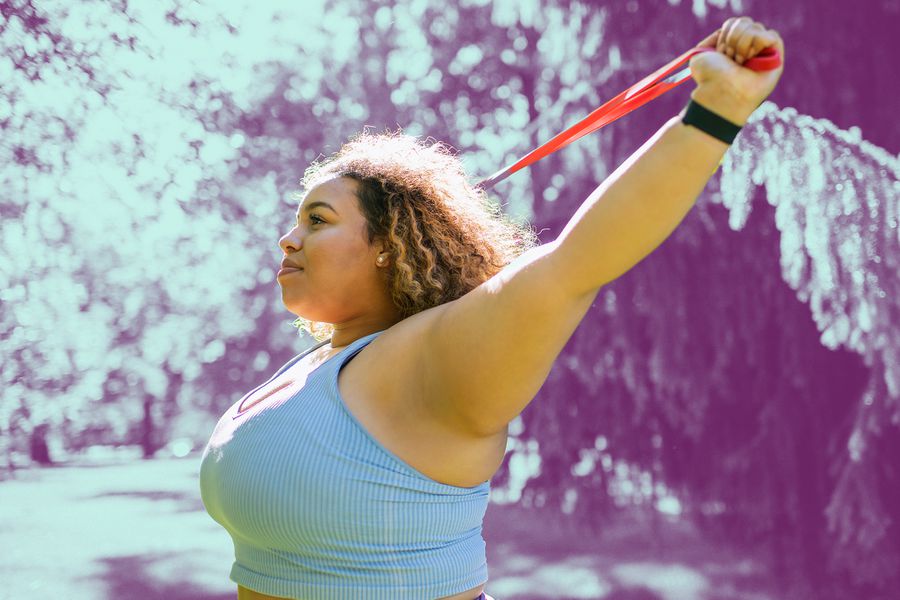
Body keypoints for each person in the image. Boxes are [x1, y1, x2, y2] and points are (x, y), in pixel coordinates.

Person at [199, 16, 784, 600]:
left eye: (318, 220)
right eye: (297, 218)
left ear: (387, 246)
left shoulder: (433, 360)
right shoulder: (317, 367)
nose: (288, 238)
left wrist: (716, 111)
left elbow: (575, 265)